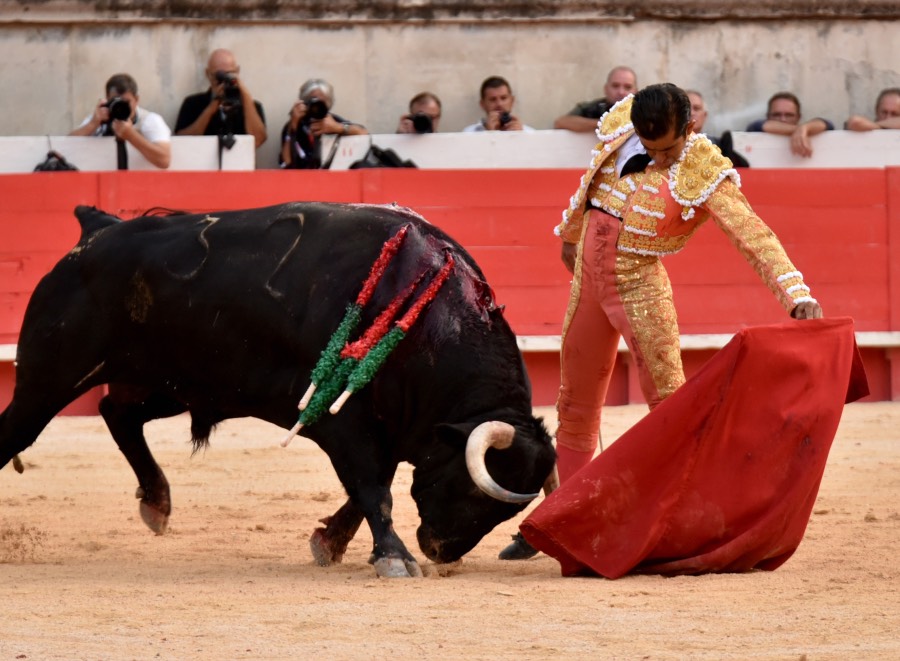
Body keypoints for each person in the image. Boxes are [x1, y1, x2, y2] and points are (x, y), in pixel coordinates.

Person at [499, 83, 823, 560]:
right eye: (648, 147)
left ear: (689, 128)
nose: (656, 158)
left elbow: (753, 234)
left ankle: (690, 521)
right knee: (574, 405)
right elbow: (590, 184)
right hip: (588, 286)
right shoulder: (620, 128)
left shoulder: (704, 168)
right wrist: (571, 233)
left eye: (666, 149)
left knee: (670, 407)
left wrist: (796, 294)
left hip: (640, 290)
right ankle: (559, 521)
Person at [69, 73, 172, 169]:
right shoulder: (99, 118)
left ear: (136, 100)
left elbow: (164, 160)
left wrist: (131, 135)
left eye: (126, 102)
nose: (121, 107)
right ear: (107, 100)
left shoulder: (149, 120)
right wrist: (93, 124)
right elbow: (68, 147)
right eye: (116, 101)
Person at [174, 48, 267, 148]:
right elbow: (182, 142)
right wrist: (211, 108)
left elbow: (258, 140)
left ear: (237, 71)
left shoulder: (252, 107)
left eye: (229, 73)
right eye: (219, 75)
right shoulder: (192, 104)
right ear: (208, 74)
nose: (224, 80)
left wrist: (244, 94)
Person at [279, 79, 368, 170]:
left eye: (322, 102)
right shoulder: (295, 124)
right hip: (302, 179)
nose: (317, 106)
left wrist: (337, 128)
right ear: (305, 102)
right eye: (314, 100)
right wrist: (293, 125)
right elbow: (286, 163)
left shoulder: (334, 121)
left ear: (329, 103)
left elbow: (363, 133)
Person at [745, 91, 833, 158]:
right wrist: (802, 130)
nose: (782, 119)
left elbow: (828, 124)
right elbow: (756, 126)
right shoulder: (756, 128)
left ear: (798, 117)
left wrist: (805, 128)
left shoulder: (806, 128)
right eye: (776, 114)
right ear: (768, 116)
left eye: (789, 115)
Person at [553, 66, 638, 133]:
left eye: (628, 87)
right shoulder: (593, 108)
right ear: (606, 89)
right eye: (615, 86)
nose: (621, 92)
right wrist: (603, 124)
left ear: (636, 91)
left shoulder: (643, 110)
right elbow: (561, 122)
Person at [462, 76, 534, 132]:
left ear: (512, 101)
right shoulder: (469, 133)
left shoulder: (529, 133)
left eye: (504, 98)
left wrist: (522, 137)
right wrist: (488, 133)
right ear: (482, 104)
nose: (499, 104)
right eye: (493, 99)